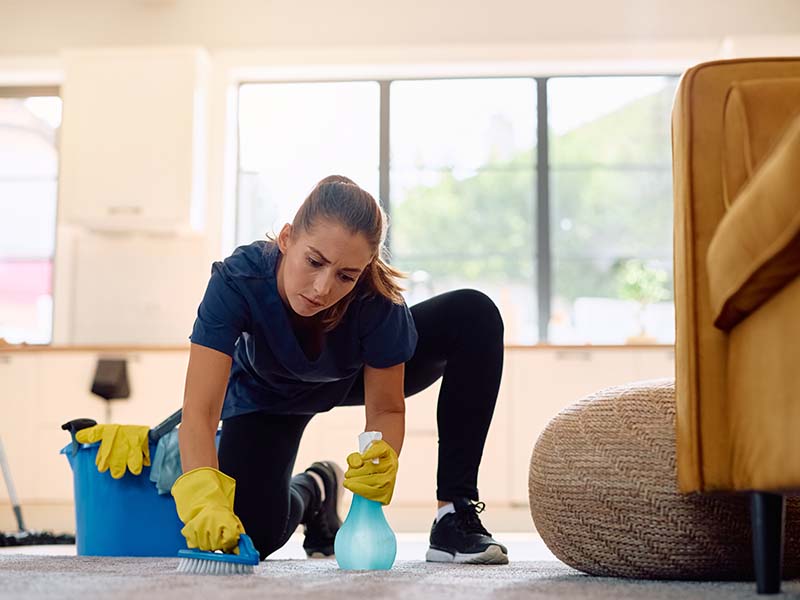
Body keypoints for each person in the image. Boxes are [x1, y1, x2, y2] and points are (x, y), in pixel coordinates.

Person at [90, 174, 508, 564]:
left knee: (474, 314)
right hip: (267, 397)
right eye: (314, 261)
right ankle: (316, 489)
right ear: (288, 238)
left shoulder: (376, 301)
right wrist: (204, 498)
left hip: (351, 377)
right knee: (254, 534)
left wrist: (380, 466)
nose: (324, 288)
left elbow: (386, 410)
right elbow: (199, 413)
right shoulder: (238, 280)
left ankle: (453, 514)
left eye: (346, 275)